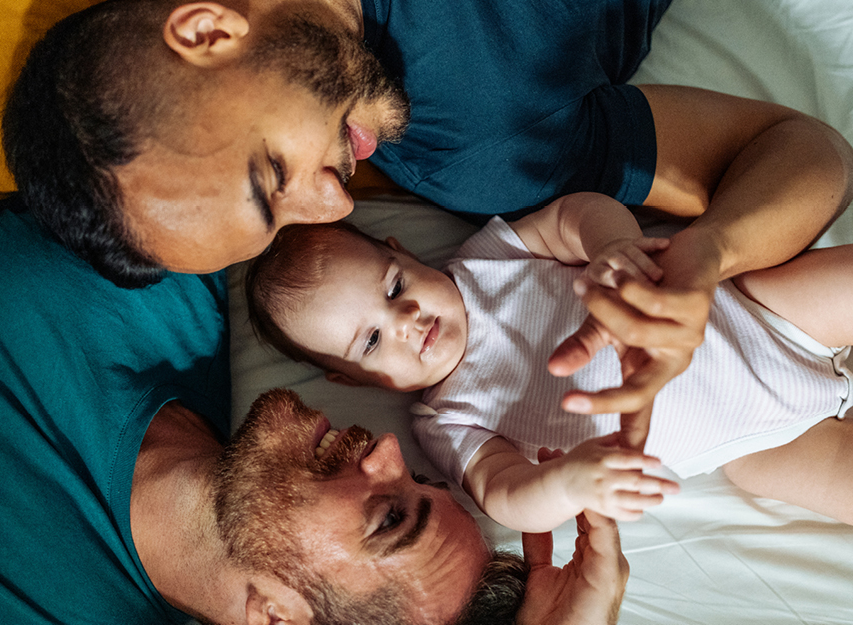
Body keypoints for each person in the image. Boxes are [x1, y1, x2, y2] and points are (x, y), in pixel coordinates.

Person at [0, 1, 853, 415]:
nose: (332, 195)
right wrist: (706, 259)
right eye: (285, 219)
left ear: (205, 30)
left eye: (268, 176)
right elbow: (797, 151)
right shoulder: (475, 153)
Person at [243, 192, 853, 532]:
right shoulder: (447, 422)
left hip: (754, 316)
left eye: (395, 286)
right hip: (752, 442)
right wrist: (564, 484)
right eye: (371, 343)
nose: (405, 322)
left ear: (403, 252)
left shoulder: (487, 261)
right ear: (348, 379)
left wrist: (609, 245)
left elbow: (572, 216)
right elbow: (504, 492)